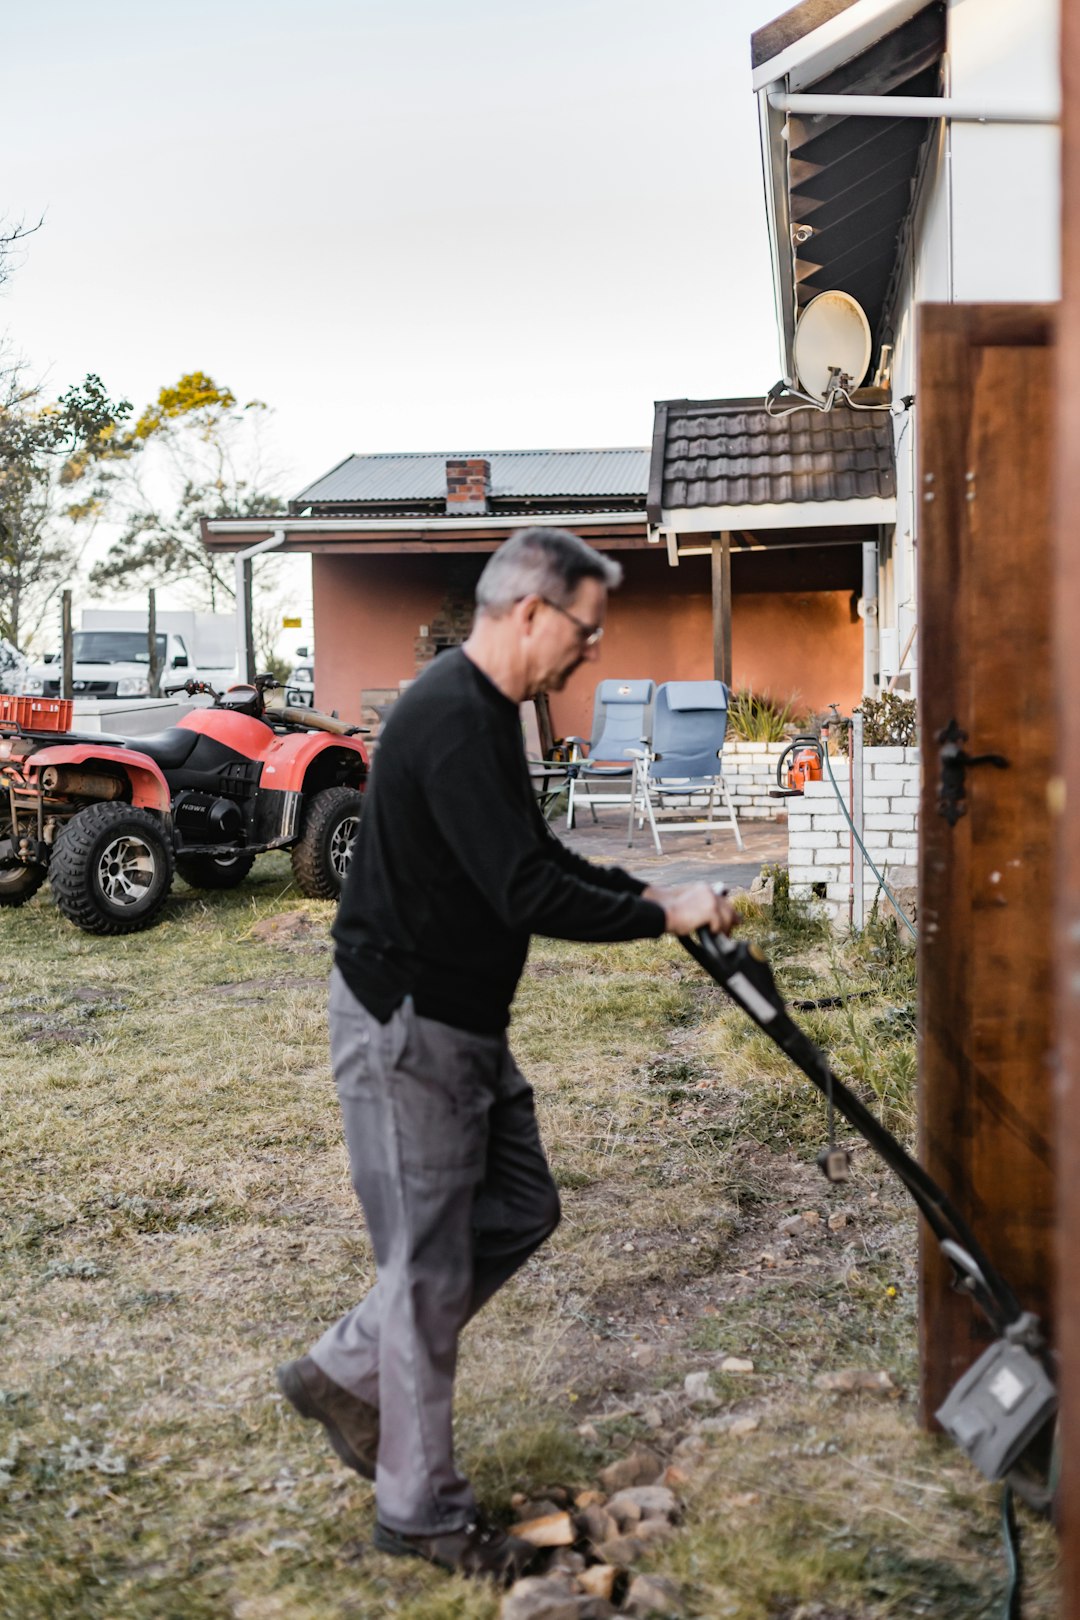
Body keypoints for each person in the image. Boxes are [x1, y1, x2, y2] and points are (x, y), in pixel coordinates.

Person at [277, 527, 735, 1582]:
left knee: (524, 1204)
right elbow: (525, 893)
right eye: (586, 629)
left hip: (465, 1022)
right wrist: (659, 916)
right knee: (430, 1272)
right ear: (531, 612)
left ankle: (344, 1367)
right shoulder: (449, 718)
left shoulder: (487, 712)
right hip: (410, 1027)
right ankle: (421, 1510)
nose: (590, 651)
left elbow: (530, 858)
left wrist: (652, 894)